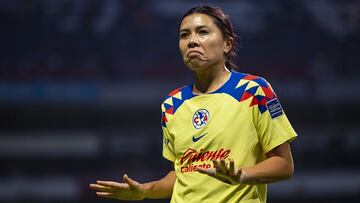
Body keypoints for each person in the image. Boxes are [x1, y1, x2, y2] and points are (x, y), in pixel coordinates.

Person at [90, 5, 297, 203]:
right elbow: (181, 175)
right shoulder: (171, 105)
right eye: (184, 35)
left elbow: (284, 165)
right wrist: (145, 191)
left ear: (227, 43)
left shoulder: (253, 91)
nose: (192, 41)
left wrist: (243, 175)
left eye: (203, 32)